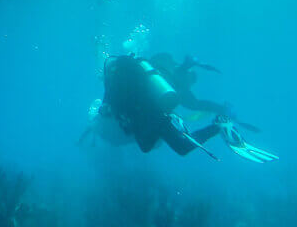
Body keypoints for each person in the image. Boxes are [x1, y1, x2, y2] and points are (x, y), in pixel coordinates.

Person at [88, 55, 276, 162]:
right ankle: (215, 122)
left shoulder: (113, 82)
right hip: (153, 111)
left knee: (180, 147)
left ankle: (219, 126)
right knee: (151, 146)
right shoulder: (131, 72)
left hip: (152, 114)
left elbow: (107, 107)